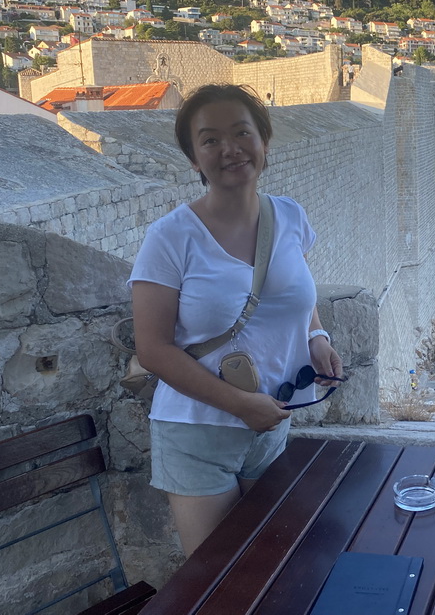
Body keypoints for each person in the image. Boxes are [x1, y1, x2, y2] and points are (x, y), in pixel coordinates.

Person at [129, 84, 343, 558]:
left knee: (274, 560)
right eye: (209, 140)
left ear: (264, 141)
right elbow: (153, 349)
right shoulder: (169, 238)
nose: (230, 149)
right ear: (193, 159)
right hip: (196, 430)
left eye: (242, 132)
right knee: (218, 579)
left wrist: (317, 336)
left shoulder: (290, 216)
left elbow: (295, 292)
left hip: (272, 421)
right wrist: (241, 406)